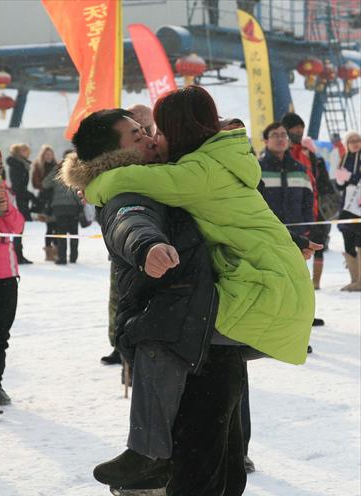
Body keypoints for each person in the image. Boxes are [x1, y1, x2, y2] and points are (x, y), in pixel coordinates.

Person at [84, 87, 315, 365]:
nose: (154, 140)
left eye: (158, 131)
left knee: (153, 332)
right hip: (280, 288)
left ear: (178, 131)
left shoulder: (197, 172)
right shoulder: (219, 158)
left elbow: (132, 180)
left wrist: (92, 183)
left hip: (265, 295)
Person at [101, 105, 156, 367]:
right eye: (137, 127)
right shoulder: (112, 160)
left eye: (146, 126)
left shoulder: (161, 152)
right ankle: (118, 342)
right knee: (121, 296)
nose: (143, 131)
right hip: (125, 242)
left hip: (155, 243)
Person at [282, 112, 325, 323]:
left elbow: (315, 184)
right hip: (288, 218)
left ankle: (304, 314)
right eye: (294, 128)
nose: (299, 131)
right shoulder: (283, 153)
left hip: (309, 215)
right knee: (286, 271)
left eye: (301, 127)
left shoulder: (308, 154)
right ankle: (290, 315)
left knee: (301, 271)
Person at [0, 143, 24, 406]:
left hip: (6, 274)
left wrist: (5, 208)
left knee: (1, 332)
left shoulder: (6, 192)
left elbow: (17, 227)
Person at [301, 136, 335, 289]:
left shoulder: (318, 163)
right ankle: (302, 280)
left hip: (319, 210)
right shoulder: (296, 164)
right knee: (301, 246)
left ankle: (316, 282)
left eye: (306, 148)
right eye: (302, 149)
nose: (304, 152)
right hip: (302, 211)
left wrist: (316, 181)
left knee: (319, 245)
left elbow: (327, 186)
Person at [42, 150, 81, 265]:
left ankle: (62, 258)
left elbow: (45, 184)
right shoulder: (76, 169)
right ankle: (73, 257)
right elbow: (78, 189)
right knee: (74, 233)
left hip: (58, 207)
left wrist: (55, 170)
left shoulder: (57, 169)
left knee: (61, 233)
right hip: (73, 207)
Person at [335, 131, 361, 291]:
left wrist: (349, 178)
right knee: (348, 238)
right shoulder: (343, 159)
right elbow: (339, 186)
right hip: (347, 205)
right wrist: (341, 179)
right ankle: (355, 279)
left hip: (359, 205)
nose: (355, 143)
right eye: (351, 141)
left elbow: (356, 178)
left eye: (358, 140)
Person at [6, 143, 34, 264]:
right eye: (25, 151)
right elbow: (18, 186)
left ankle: (18, 254)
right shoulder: (17, 165)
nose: (28, 153)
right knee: (18, 228)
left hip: (21, 198)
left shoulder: (21, 164)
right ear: (18, 152)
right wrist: (32, 196)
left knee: (19, 228)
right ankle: (17, 255)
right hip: (18, 200)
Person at [31, 144, 58, 261]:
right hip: (45, 200)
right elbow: (35, 183)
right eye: (47, 154)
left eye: (50, 154)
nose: (49, 156)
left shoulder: (56, 166)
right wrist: (45, 185)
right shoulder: (38, 166)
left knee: (56, 226)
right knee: (49, 227)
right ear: (43, 155)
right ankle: (49, 252)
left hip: (56, 199)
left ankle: (57, 251)